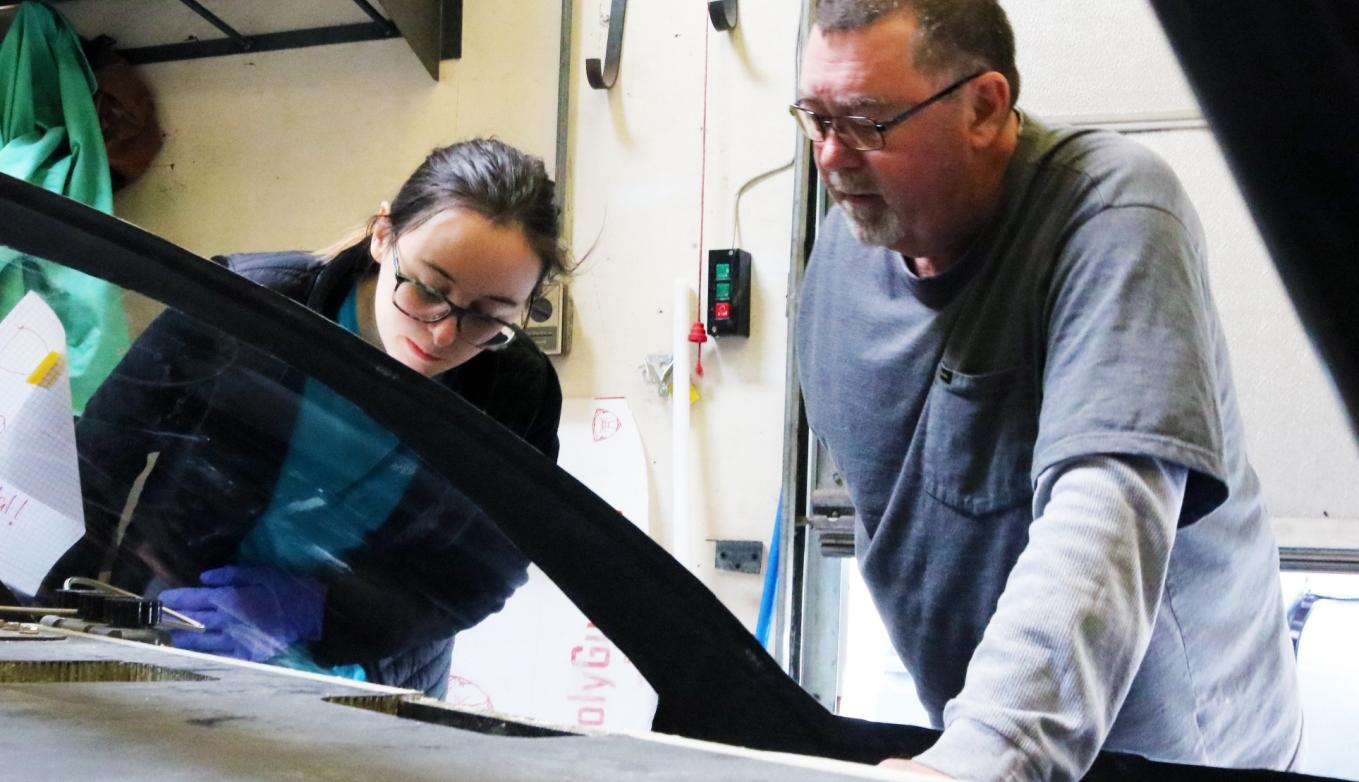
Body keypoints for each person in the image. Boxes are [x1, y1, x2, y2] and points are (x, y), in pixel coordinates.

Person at [791, 2, 1302, 780]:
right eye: (814, 119)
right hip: (982, 739)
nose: (831, 157)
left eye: (865, 122)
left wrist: (980, 756)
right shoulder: (844, 250)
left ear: (984, 108)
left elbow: (1106, 510)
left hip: (1172, 754)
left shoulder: (1110, 209)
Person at [48, 138, 567, 698]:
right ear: (383, 236)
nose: (443, 332)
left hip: (375, 669)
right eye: (428, 288)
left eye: (488, 317)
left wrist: (320, 609)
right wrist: (43, 633)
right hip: (186, 629)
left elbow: (487, 569)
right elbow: (95, 461)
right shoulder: (245, 306)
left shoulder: (519, 389)